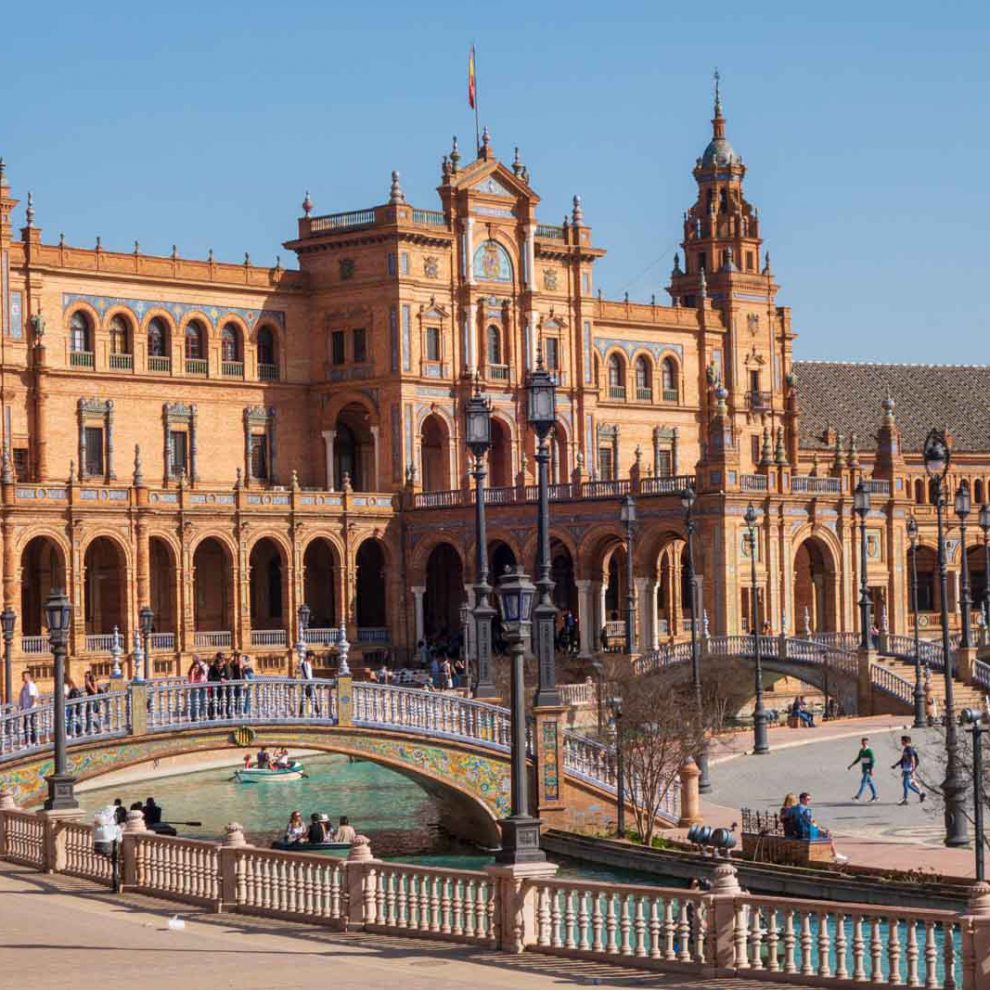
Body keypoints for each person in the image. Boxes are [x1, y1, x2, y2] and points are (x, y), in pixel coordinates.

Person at [892, 735, 926, 805]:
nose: (901, 742)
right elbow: (903, 759)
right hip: (906, 768)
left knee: (905, 784)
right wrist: (896, 765)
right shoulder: (906, 749)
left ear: (905, 741)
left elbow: (913, 760)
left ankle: (905, 799)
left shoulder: (909, 749)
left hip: (909, 769)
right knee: (907, 784)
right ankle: (921, 793)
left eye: (902, 741)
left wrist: (913, 770)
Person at [848, 736, 878, 801]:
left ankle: (858, 796)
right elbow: (858, 759)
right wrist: (851, 765)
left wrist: (871, 770)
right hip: (864, 769)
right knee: (870, 782)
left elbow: (872, 761)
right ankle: (875, 796)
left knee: (863, 782)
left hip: (867, 769)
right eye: (863, 742)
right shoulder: (861, 750)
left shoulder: (869, 751)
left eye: (865, 742)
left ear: (867, 743)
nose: (864, 743)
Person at [19, 670, 38, 745]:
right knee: (27, 725)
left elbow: (33, 696)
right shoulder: (25, 685)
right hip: (26, 708)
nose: (22, 678)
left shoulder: (30, 685)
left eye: (23, 676)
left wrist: (32, 706)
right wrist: (22, 706)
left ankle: (32, 741)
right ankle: (29, 740)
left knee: (29, 725)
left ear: (27, 676)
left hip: (30, 708)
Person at [299, 650, 320, 717]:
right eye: (312, 656)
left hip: (308, 684)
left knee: (305, 699)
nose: (313, 658)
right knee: (312, 698)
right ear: (309, 656)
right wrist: (311, 683)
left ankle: (301, 713)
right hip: (307, 684)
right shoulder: (305, 664)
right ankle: (318, 713)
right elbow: (306, 675)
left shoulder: (307, 664)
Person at [187, 654, 208, 721]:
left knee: (201, 702)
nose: (196, 669)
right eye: (195, 668)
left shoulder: (202, 669)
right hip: (194, 690)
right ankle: (193, 716)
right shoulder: (191, 671)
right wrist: (193, 673)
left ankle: (201, 715)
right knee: (193, 703)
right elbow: (191, 682)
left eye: (197, 668)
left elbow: (202, 680)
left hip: (201, 689)